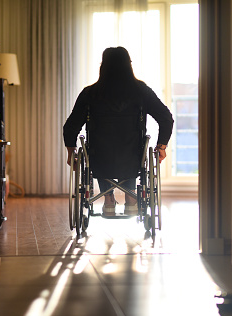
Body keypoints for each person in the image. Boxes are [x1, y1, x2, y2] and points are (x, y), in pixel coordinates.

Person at [63, 47, 173, 216]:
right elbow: (166, 118)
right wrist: (162, 146)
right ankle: (131, 199)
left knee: (99, 150)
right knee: (132, 150)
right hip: (132, 157)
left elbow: (70, 126)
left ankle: (108, 200)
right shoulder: (141, 90)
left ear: (103, 66)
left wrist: (71, 151)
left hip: (99, 157)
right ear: (129, 66)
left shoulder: (90, 93)